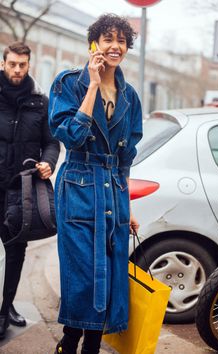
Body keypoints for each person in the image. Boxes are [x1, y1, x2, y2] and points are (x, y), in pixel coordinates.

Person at [49, 13, 143, 354]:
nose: (115, 46)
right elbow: (71, 137)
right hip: (78, 185)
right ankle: (72, 340)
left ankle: (84, 344)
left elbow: (126, 156)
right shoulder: (68, 82)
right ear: (95, 44)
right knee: (84, 274)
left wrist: (128, 207)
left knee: (110, 273)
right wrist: (91, 85)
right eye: (108, 39)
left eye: (121, 40)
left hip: (113, 190)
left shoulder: (130, 95)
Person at [0, 42, 60, 339]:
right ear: (3, 63)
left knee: (15, 252)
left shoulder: (41, 102)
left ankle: (5, 309)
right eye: (12, 64)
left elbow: (52, 141)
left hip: (20, 190)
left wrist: (48, 162)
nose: (17, 70)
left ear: (29, 64)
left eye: (22, 65)